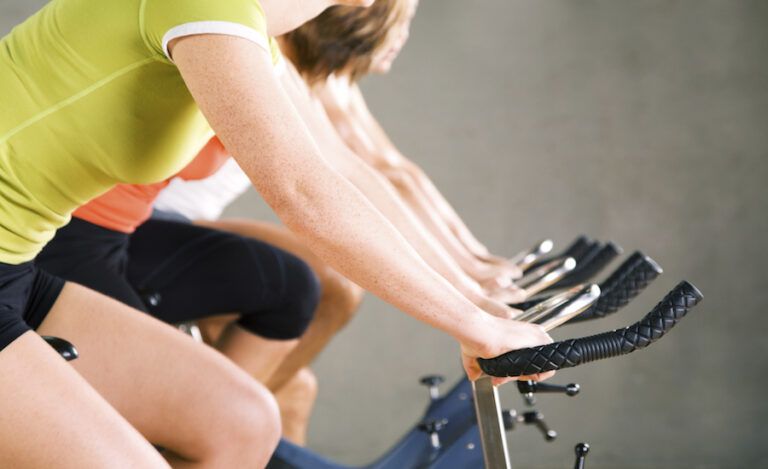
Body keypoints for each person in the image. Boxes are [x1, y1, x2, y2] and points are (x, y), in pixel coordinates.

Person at [0, 0, 553, 466]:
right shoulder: (208, 8)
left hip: (17, 266)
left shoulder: (251, 36)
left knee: (240, 420)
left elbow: (346, 173)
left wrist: (474, 299)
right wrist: (471, 321)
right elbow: (302, 191)